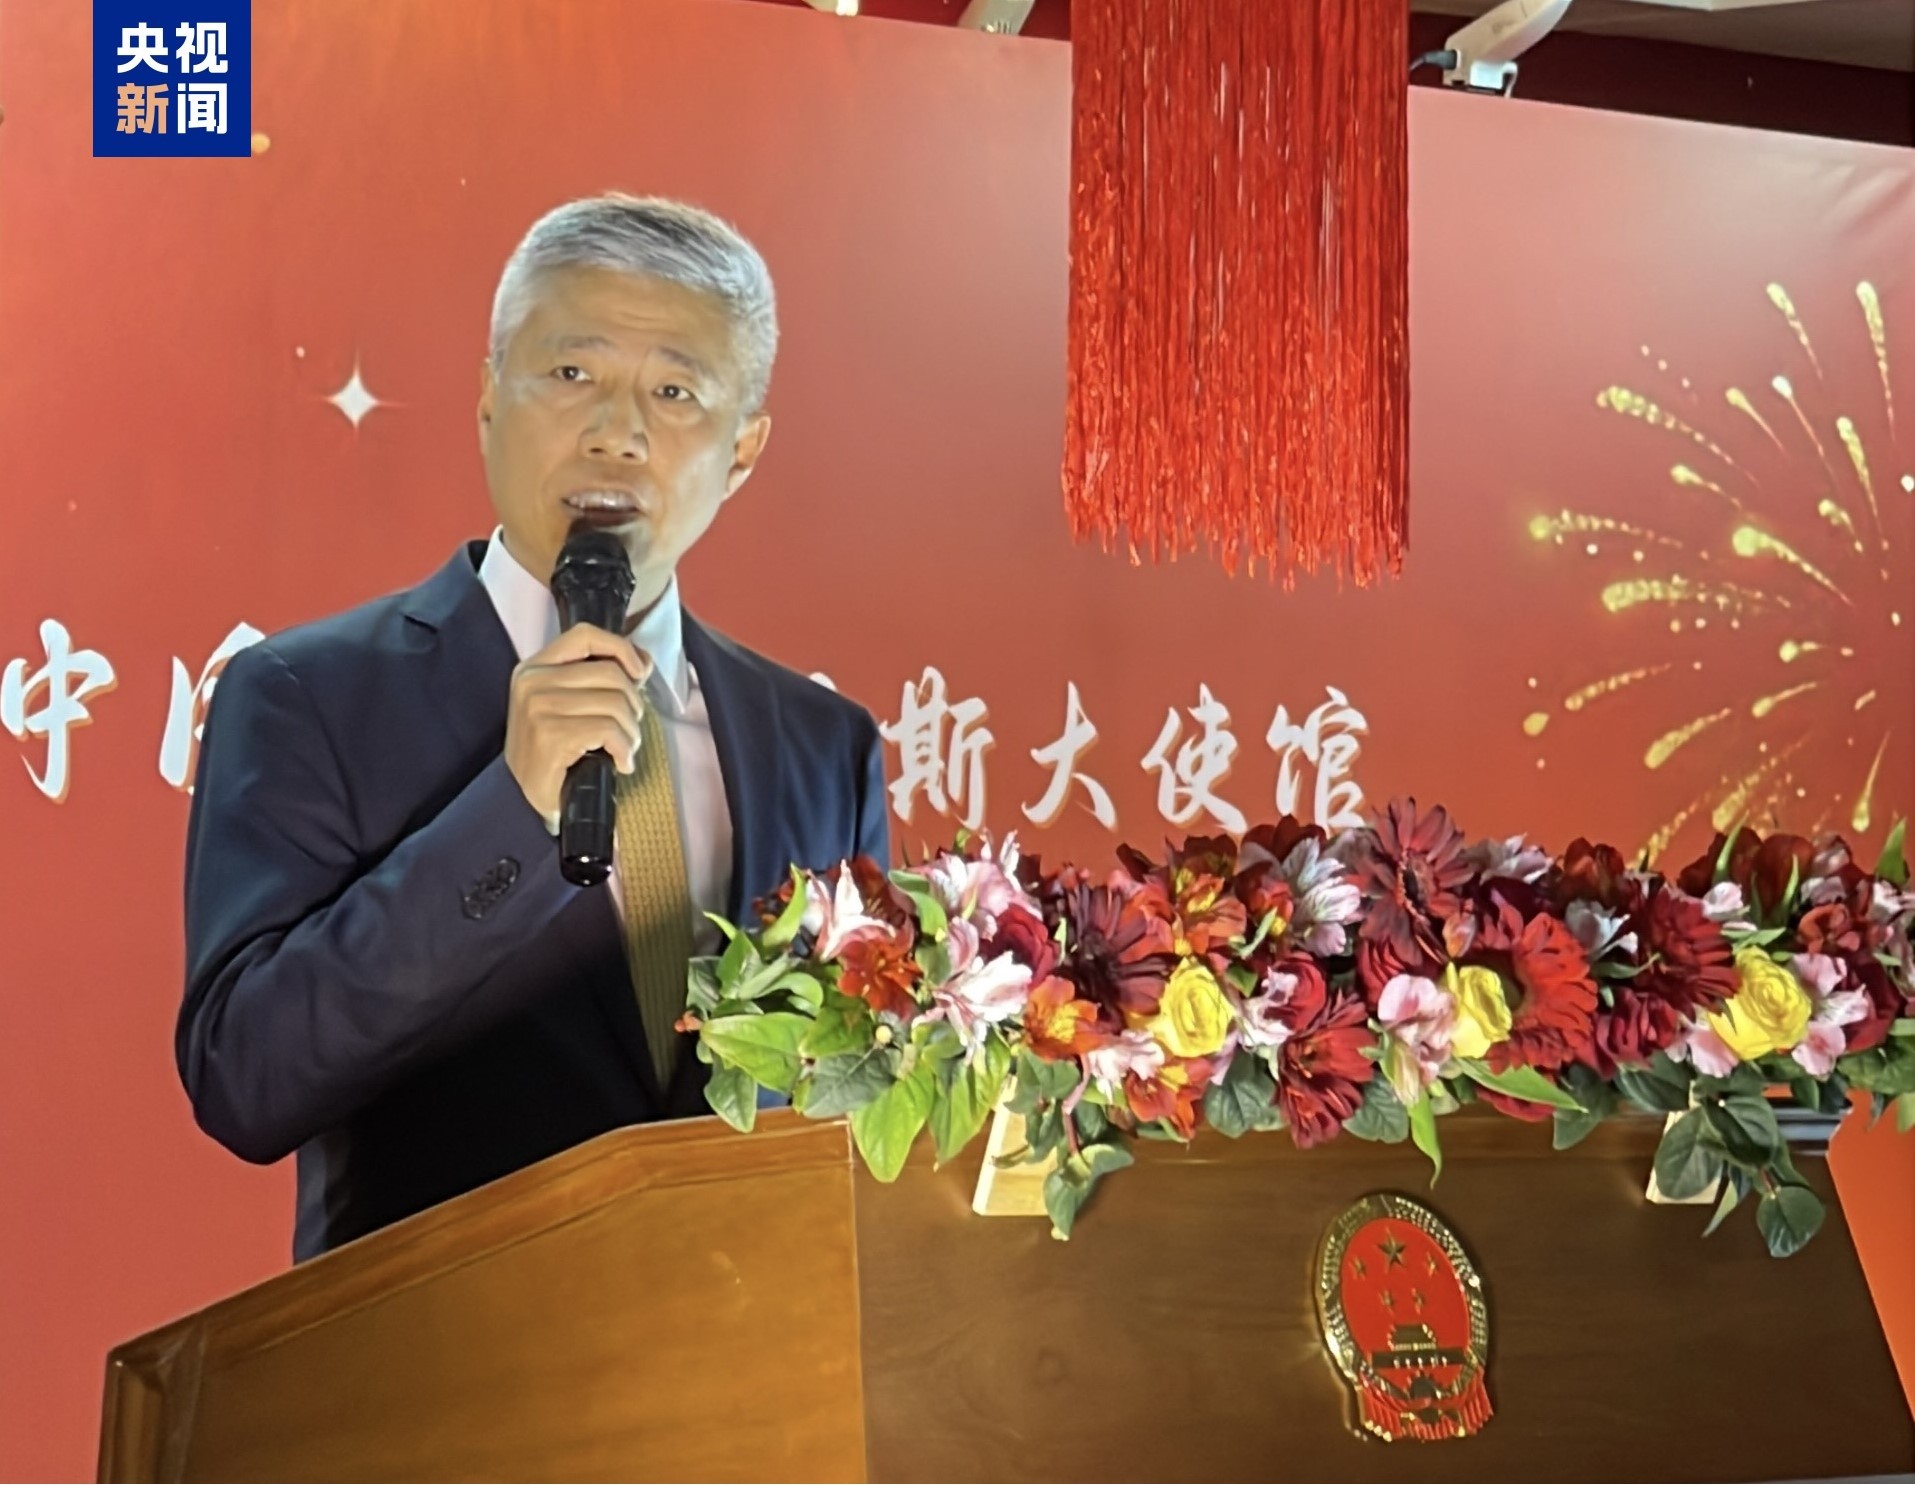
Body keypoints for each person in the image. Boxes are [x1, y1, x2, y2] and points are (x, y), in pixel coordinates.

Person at [179, 194, 890, 1260]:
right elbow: (248, 1078)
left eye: (673, 392)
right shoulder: (308, 694)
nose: (616, 433)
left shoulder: (824, 747)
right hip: (446, 1343)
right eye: (570, 373)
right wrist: (510, 811)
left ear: (742, 449)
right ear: (487, 397)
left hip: (755, 1345)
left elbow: (858, 1098)